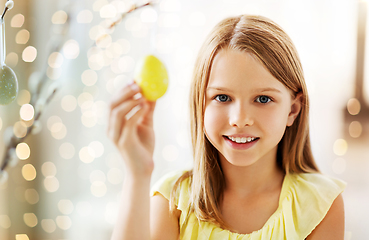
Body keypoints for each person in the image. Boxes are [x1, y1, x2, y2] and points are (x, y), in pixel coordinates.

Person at [107, 14, 346, 240]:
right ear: (200, 105)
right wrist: (138, 173)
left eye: (263, 99)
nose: (239, 119)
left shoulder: (320, 204)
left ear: (293, 110)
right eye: (222, 97)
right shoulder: (173, 201)